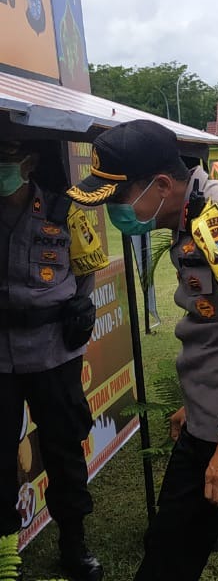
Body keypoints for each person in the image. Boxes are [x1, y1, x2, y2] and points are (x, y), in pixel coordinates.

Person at [67, 120, 218, 581]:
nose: (116, 211)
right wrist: (198, 405)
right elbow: (213, 326)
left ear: (159, 185)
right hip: (210, 418)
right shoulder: (188, 214)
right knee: (169, 551)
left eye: (117, 198)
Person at [0, 139, 108, 581]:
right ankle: (6, 551)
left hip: (53, 351)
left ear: (28, 163)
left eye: (6, 162)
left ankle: (74, 544)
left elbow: (86, 270)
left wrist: (75, 312)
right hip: (0, 357)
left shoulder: (66, 211)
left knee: (64, 447)